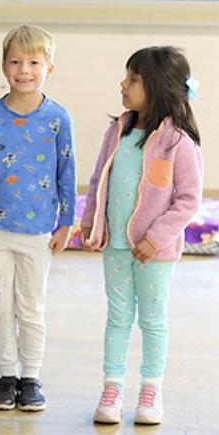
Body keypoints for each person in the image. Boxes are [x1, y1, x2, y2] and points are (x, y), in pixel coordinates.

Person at [80, 46, 202, 426]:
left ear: (158, 86)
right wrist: (91, 221)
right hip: (115, 246)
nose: (123, 84)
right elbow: (99, 180)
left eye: (133, 79)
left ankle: (151, 389)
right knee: (117, 318)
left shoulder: (178, 142)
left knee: (152, 319)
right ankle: (112, 387)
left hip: (155, 253)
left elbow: (188, 199)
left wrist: (157, 237)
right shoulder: (117, 131)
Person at [0, 25, 76, 412]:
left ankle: (31, 376)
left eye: (34, 62)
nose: (24, 69)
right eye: (15, 62)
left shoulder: (57, 118)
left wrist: (67, 221)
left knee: (31, 305)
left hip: (38, 231)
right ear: (3, 67)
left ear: (49, 67)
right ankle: (7, 375)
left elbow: (67, 169)